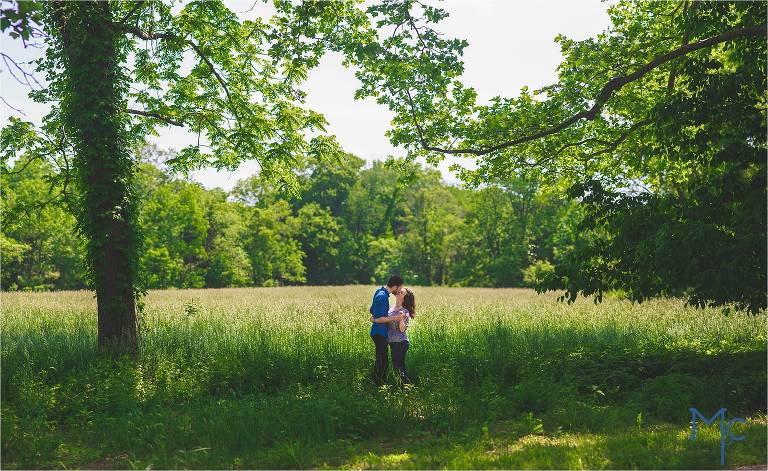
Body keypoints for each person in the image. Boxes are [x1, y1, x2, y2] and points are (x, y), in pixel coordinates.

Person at [371, 286, 415, 385]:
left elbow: (402, 329)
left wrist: (401, 319)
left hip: (401, 343)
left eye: (401, 292)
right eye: (399, 291)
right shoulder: (390, 309)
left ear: (405, 298)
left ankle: (409, 389)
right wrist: (374, 318)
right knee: (397, 368)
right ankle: (405, 388)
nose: (398, 292)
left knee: (399, 369)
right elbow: (383, 320)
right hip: (392, 343)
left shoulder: (404, 311)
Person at [369, 275, 405, 385]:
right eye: (399, 288)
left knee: (381, 359)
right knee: (383, 361)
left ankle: (378, 383)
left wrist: (374, 318)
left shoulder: (379, 292)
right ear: (395, 286)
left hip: (377, 332)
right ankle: (379, 385)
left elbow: (372, 310)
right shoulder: (383, 296)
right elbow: (380, 318)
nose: (399, 291)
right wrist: (396, 318)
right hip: (380, 332)